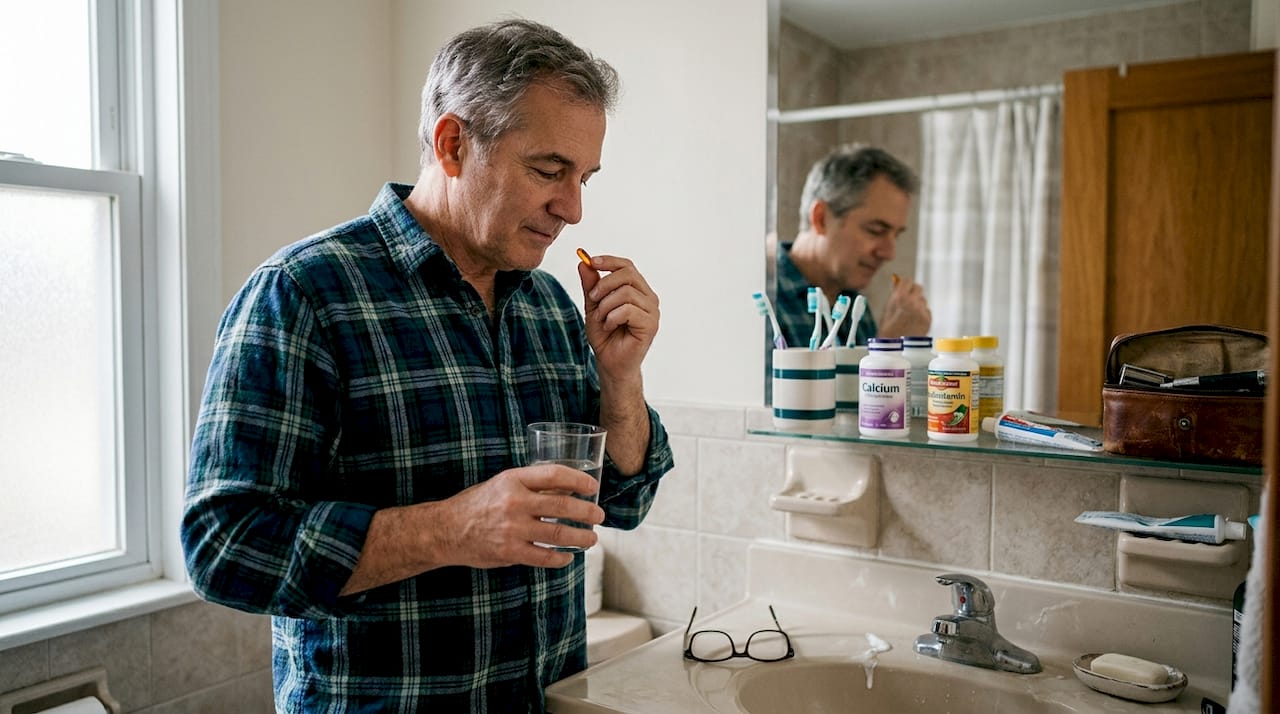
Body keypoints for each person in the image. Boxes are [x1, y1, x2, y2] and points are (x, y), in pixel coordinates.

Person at [181, 18, 675, 712]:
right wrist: (451, 529)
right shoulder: (304, 294)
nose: (573, 208)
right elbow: (223, 547)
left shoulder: (550, 306)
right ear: (452, 144)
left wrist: (621, 377)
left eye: (584, 177)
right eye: (549, 171)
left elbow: (624, 503)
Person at [774, 144, 931, 348]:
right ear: (821, 218)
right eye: (875, 230)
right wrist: (888, 344)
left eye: (896, 235)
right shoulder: (767, 297)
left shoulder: (854, 305)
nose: (889, 253)